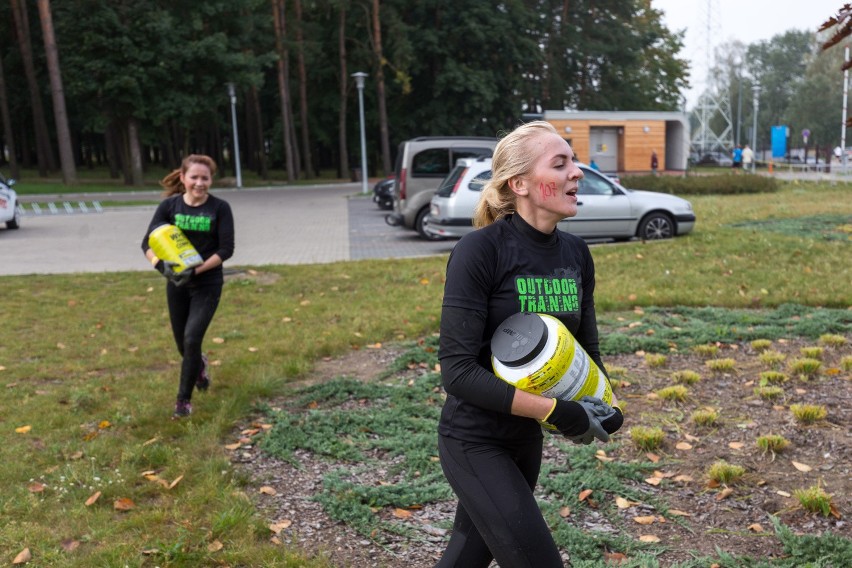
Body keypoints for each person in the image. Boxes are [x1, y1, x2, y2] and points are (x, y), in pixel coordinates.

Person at [435, 121, 622, 567]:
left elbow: (586, 350)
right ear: (519, 184)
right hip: (474, 441)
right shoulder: (480, 251)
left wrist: (603, 403)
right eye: (560, 163)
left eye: (573, 161)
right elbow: (457, 372)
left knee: (465, 559)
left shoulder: (576, 254)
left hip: (524, 440)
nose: (577, 172)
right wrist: (558, 412)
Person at [141, 154, 235, 419]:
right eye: (194, 177)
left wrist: (195, 270)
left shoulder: (220, 208)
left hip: (207, 283)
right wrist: (162, 267)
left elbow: (226, 249)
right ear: (183, 178)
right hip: (177, 284)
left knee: (193, 338)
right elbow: (146, 244)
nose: (199, 183)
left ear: (210, 180)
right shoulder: (170, 207)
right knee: (183, 345)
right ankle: (199, 366)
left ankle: (183, 401)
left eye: (205, 178)